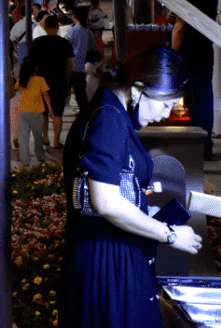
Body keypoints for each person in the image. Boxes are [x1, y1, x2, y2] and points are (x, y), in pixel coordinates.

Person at [58, 47, 202, 328]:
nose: (165, 114)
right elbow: (106, 202)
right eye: (164, 103)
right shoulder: (109, 118)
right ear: (137, 88)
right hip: (108, 261)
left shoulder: (109, 110)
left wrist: (145, 208)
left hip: (106, 255)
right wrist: (170, 235)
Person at [172, 0, 219, 160]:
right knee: (205, 98)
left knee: (188, 100)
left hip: (187, 54)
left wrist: (173, 54)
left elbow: (179, 27)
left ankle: (191, 148)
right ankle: (205, 147)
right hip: (206, 52)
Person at [29, 15, 75, 149]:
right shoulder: (65, 43)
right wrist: (67, 80)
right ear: (58, 26)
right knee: (58, 112)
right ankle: (56, 141)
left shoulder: (37, 42)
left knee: (43, 111)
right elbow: (70, 65)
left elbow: (32, 64)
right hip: (59, 81)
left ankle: (45, 138)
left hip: (41, 82)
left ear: (44, 27)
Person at [15, 56, 52, 167]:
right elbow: (46, 96)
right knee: (38, 137)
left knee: (24, 138)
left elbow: (16, 88)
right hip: (37, 112)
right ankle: (40, 157)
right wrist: (50, 110)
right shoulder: (40, 80)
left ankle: (25, 162)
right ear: (35, 68)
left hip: (23, 111)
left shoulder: (22, 79)